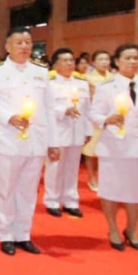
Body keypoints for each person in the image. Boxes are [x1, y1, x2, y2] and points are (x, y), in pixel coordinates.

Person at [0, 27, 60, 256]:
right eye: (19, 43)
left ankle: (23, 234)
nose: (25, 47)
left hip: (36, 139)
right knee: (7, 188)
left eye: (28, 42)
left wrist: (52, 142)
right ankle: (5, 234)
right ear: (7, 47)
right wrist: (8, 117)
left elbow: (49, 108)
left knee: (28, 189)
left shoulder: (40, 72)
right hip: (9, 138)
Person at [90, 45, 138, 251]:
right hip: (115, 145)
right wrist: (107, 119)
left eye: (136, 58)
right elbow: (94, 115)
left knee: (137, 191)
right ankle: (112, 228)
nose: (132, 62)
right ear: (117, 61)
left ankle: (132, 229)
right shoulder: (107, 86)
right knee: (111, 189)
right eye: (127, 58)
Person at [43, 48, 89, 218]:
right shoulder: (50, 83)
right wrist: (64, 110)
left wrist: (88, 130)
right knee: (55, 167)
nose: (69, 63)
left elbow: (88, 108)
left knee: (72, 168)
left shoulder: (82, 83)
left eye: (71, 60)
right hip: (57, 131)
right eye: (65, 60)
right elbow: (45, 109)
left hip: (77, 132)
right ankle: (52, 200)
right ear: (55, 64)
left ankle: (70, 200)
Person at [82, 50, 113, 191]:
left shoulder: (114, 78)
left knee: (108, 149)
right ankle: (92, 177)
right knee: (91, 150)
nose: (104, 62)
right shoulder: (86, 78)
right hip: (93, 117)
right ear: (93, 63)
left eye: (106, 59)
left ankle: (107, 178)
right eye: (100, 59)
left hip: (110, 117)